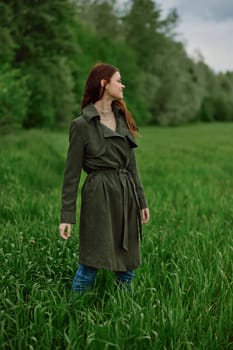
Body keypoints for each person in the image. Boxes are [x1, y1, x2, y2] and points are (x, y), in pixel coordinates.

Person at [59, 63, 150, 292]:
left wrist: (141, 201)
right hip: (98, 195)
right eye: (118, 80)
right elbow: (71, 175)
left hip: (126, 194)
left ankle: (123, 315)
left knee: (128, 266)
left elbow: (131, 165)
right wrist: (66, 216)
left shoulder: (123, 119)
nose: (122, 85)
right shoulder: (81, 125)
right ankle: (73, 315)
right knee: (90, 264)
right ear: (103, 83)